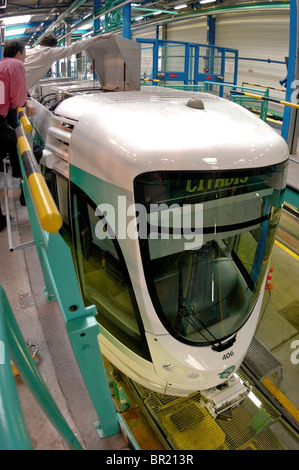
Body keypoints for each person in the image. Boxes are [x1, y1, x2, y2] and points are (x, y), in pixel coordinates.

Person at [0, 41, 29, 231]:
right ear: (19, 53)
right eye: (25, 54)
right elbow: (17, 100)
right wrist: (26, 101)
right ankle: (25, 191)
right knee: (29, 149)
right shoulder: (16, 65)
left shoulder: (2, 64)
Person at [25, 32, 113, 91]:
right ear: (54, 46)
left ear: (41, 43)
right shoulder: (49, 52)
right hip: (19, 88)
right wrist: (98, 37)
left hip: (14, 85)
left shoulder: (30, 51)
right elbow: (74, 48)